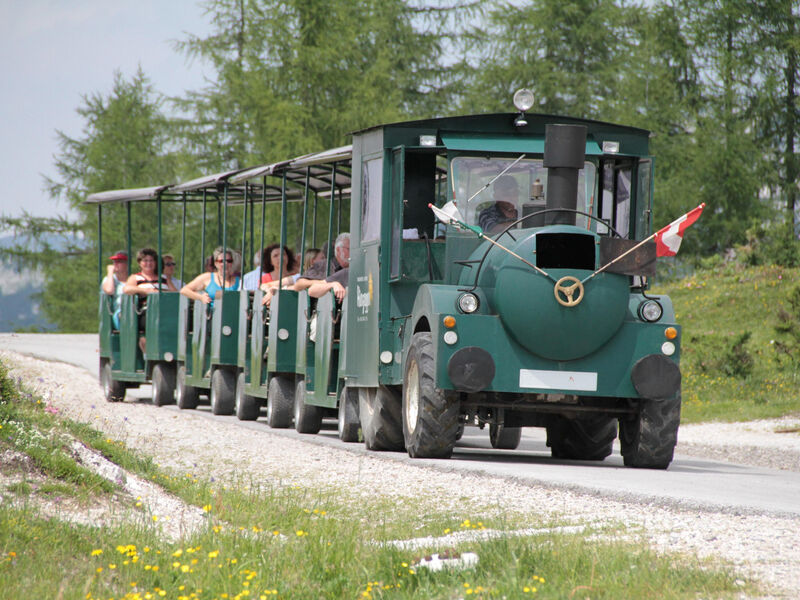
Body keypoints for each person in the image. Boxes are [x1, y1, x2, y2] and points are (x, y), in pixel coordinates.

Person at [123, 248, 177, 352]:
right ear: (140, 263)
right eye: (145, 261)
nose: (149, 263)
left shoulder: (164, 278)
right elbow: (127, 289)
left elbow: (175, 294)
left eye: (151, 260)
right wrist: (146, 291)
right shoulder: (135, 278)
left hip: (165, 311)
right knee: (151, 320)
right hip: (146, 312)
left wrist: (160, 293)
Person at [306, 234, 351, 302]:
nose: (352, 252)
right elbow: (311, 290)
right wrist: (332, 284)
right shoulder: (346, 272)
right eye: (349, 249)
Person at [101, 250, 128, 329]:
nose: (116, 264)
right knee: (123, 315)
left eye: (119, 261)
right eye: (114, 261)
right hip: (118, 312)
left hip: (133, 310)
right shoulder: (109, 279)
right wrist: (110, 272)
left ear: (127, 263)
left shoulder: (133, 279)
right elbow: (109, 290)